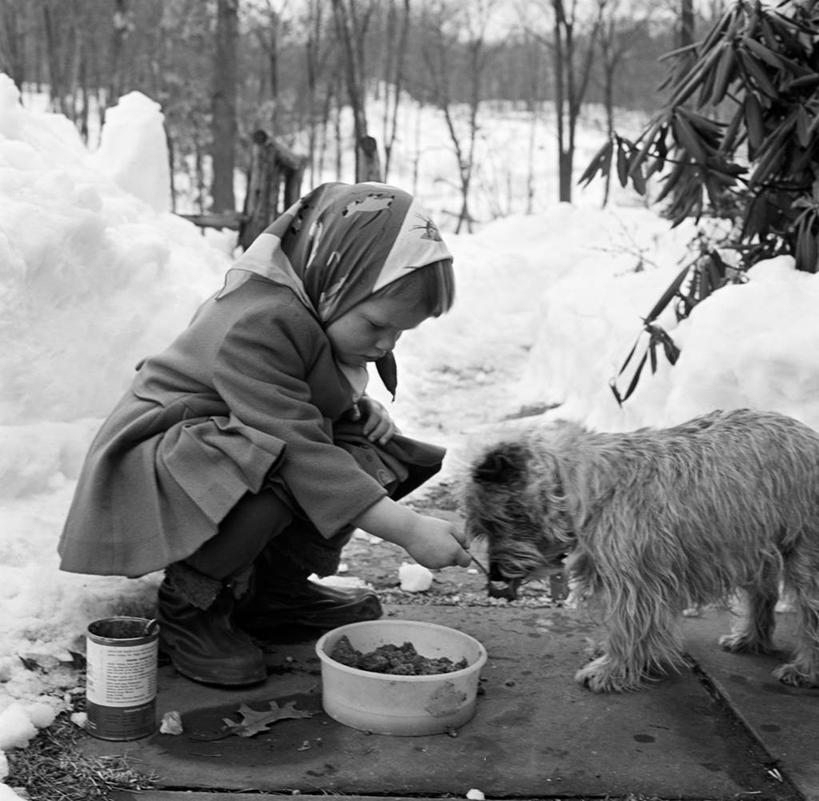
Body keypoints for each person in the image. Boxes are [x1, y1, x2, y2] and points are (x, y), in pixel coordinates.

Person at [58, 181, 472, 687]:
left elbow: (293, 394)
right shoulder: (261, 318)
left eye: (400, 333)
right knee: (283, 468)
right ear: (334, 277)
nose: (386, 344)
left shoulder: (312, 301)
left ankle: (273, 593)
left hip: (230, 436)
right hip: (160, 453)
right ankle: (192, 607)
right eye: (377, 326)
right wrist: (406, 529)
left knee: (361, 451)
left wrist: (357, 407)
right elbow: (295, 444)